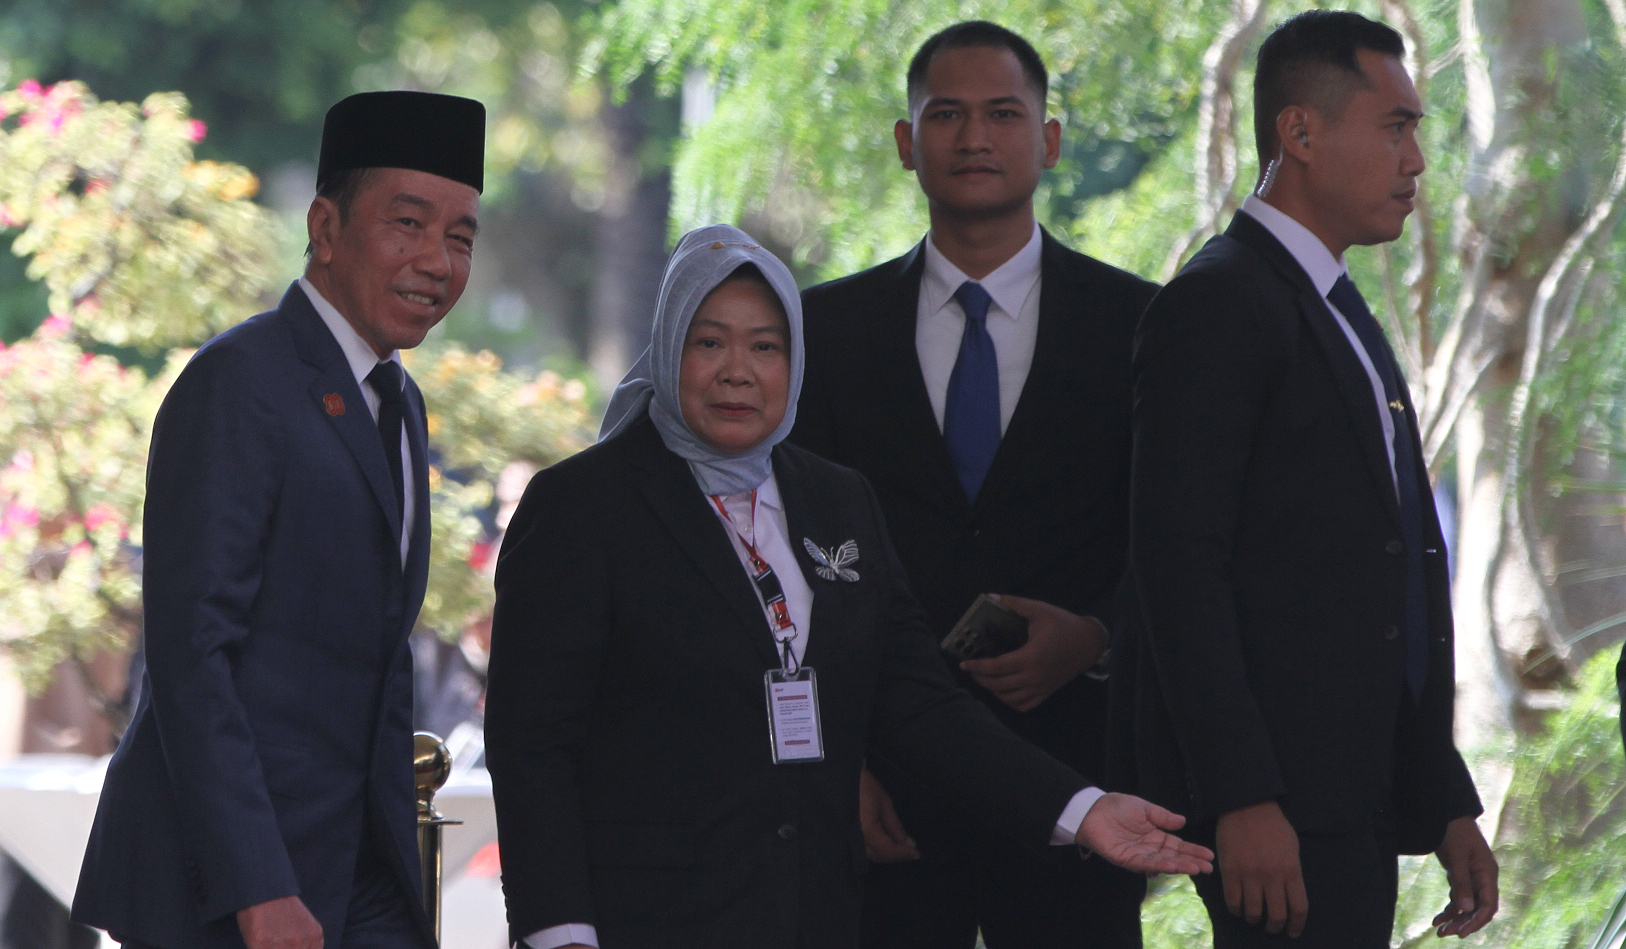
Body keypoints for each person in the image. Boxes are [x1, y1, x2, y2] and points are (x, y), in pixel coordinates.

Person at [484, 225, 1213, 949]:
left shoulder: (836, 499)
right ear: (668, 345)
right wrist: (559, 932)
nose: (738, 370)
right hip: (644, 920)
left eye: (765, 346)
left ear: (796, 359)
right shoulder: (581, 507)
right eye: (709, 342)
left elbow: (920, 703)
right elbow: (531, 746)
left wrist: (1081, 808)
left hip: (817, 914)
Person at [1115, 11, 1498, 947]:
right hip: (1276, 811)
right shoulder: (1217, 303)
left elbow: (1383, 578)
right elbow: (1180, 568)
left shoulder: (1333, 302)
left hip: (1354, 795)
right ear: (1301, 132)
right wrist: (1242, 793)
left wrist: (1440, 795)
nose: (1416, 161)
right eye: (1397, 127)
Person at [72, 91, 485, 949]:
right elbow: (191, 657)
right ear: (325, 228)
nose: (437, 261)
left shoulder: (395, 400)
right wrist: (257, 887)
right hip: (228, 884)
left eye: (460, 236)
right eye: (407, 223)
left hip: (357, 869)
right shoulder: (240, 381)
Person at [789, 21, 1156, 948]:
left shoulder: (1144, 323)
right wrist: (847, 762)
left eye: (1003, 113)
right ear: (907, 143)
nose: (974, 137)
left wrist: (1100, 635)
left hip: (1082, 770)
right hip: (891, 791)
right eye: (945, 115)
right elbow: (795, 556)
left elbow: (1178, 532)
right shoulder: (822, 330)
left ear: (1051, 139)